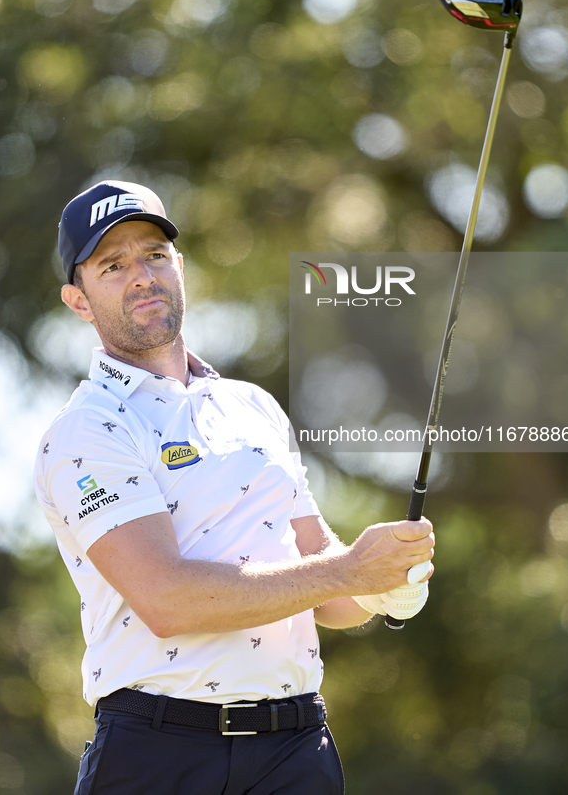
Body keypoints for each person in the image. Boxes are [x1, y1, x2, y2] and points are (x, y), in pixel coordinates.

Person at [34, 180, 435, 795]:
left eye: (155, 255)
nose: (141, 275)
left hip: (297, 748)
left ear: (180, 269)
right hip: (159, 752)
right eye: (113, 265)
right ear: (79, 300)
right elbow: (167, 599)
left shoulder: (253, 407)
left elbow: (325, 588)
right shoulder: (87, 429)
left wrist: (386, 585)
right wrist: (351, 574)